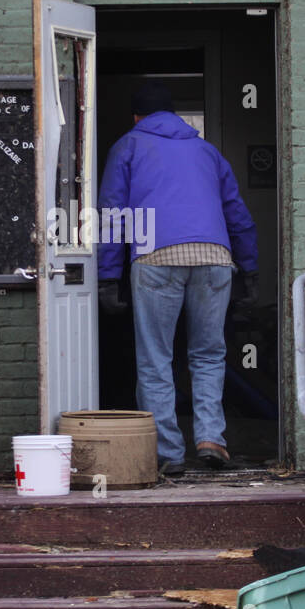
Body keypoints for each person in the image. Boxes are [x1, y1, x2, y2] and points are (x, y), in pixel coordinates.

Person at [97, 82, 258, 475]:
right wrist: (250, 268)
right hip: (214, 257)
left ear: (137, 116)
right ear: (174, 116)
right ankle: (210, 440)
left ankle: (169, 453)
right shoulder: (207, 151)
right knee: (208, 353)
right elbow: (236, 211)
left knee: (156, 358)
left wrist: (106, 275)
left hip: (156, 256)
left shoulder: (128, 146)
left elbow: (112, 214)